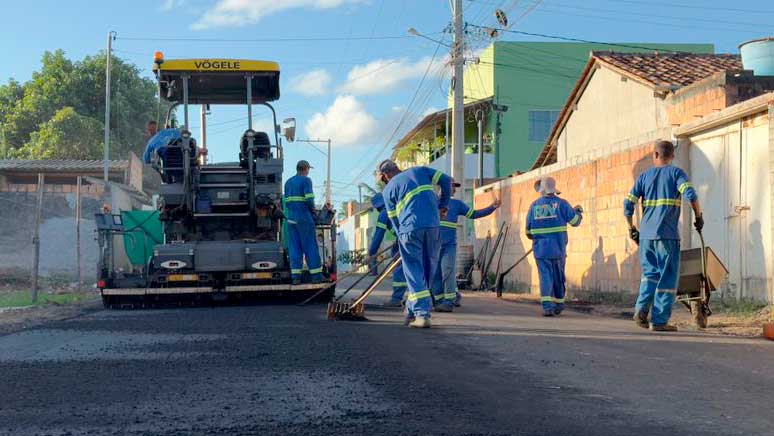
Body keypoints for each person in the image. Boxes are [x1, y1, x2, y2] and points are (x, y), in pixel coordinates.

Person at [624, 140, 702, 332]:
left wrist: (631, 228)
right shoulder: (676, 173)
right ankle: (659, 321)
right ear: (672, 156)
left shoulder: (643, 177)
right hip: (667, 237)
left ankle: (641, 309)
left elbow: (628, 204)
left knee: (649, 275)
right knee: (667, 278)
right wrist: (698, 216)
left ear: (655, 155)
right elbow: (691, 195)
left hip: (646, 238)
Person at [379, 159, 451, 328]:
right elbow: (446, 180)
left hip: (409, 229)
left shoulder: (388, 190)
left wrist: (401, 238)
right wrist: (443, 205)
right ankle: (411, 310)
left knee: (413, 271)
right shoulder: (420, 170)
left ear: (385, 176)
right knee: (426, 270)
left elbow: (394, 220)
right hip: (433, 226)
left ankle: (421, 314)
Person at [431, 179, 500, 312]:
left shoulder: (457, 204)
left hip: (448, 246)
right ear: (443, 187)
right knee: (435, 274)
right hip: (433, 245)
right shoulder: (432, 202)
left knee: (447, 270)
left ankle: (449, 301)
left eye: (455, 187)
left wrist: (492, 207)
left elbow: (474, 214)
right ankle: (438, 301)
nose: (454, 189)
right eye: (452, 186)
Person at [526, 177, 583, 317]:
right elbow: (575, 222)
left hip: (541, 251)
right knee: (558, 277)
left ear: (542, 190)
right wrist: (578, 212)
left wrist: (539, 238)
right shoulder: (562, 204)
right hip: (558, 249)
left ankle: (547, 307)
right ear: (553, 189)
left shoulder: (534, 206)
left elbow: (528, 232)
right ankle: (559, 304)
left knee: (545, 277)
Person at [284, 160, 323, 285]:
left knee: (295, 247)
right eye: (308, 169)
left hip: (291, 219)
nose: (308, 171)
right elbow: (309, 199)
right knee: (310, 246)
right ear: (305, 169)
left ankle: (296, 277)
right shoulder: (306, 180)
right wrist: (314, 211)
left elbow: (287, 202)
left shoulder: (288, 182)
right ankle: (316, 276)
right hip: (304, 218)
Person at [367, 193, 407, 307]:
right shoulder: (399, 207)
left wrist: (371, 253)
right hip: (413, 237)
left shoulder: (384, 213)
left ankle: (396, 299)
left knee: (399, 269)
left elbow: (378, 235)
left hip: (405, 240)